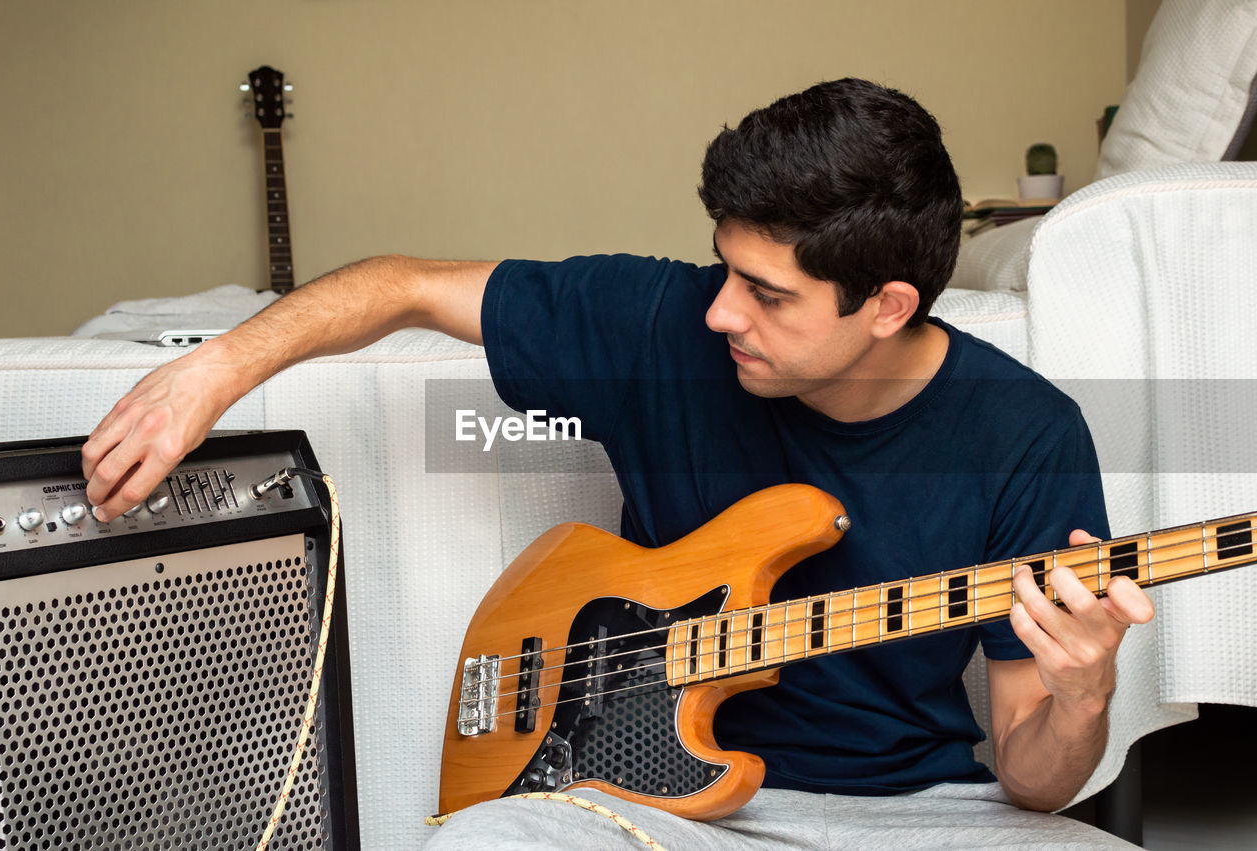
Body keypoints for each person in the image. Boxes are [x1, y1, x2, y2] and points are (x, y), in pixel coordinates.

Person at [83, 78, 1154, 848]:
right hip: (641, 798)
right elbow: (402, 282)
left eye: (768, 295)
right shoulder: (656, 320)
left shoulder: (1027, 432)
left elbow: (1030, 778)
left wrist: (1082, 692)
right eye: (724, 267)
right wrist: (212, 373)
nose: (721, 310)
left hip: (917, 812)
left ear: (885, 307)